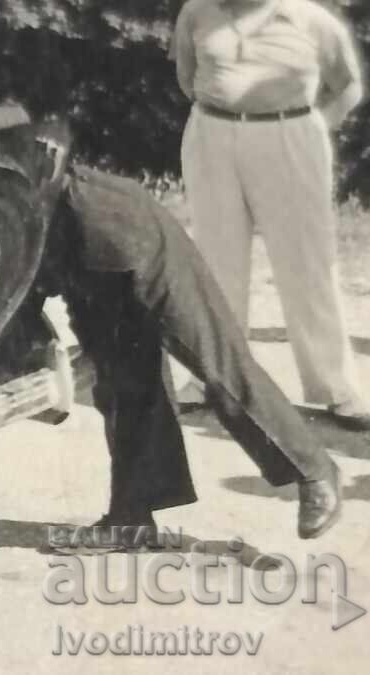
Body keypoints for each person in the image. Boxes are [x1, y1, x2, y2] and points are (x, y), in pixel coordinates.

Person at [39, 164, 341, 541]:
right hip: (78, 256)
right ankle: (130, 518)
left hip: (124, 229)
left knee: (217, 361)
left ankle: (313, 471)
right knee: (124, 386)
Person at [173, 0, 369, 429]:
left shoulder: (311, 19)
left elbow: (349, 85)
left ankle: (336, 388)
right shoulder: (197, 12)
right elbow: (187, 77)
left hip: (290, 137)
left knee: (308, 264)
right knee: (213, 261)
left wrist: (310, 129)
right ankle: (212, 379)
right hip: (212, 134)